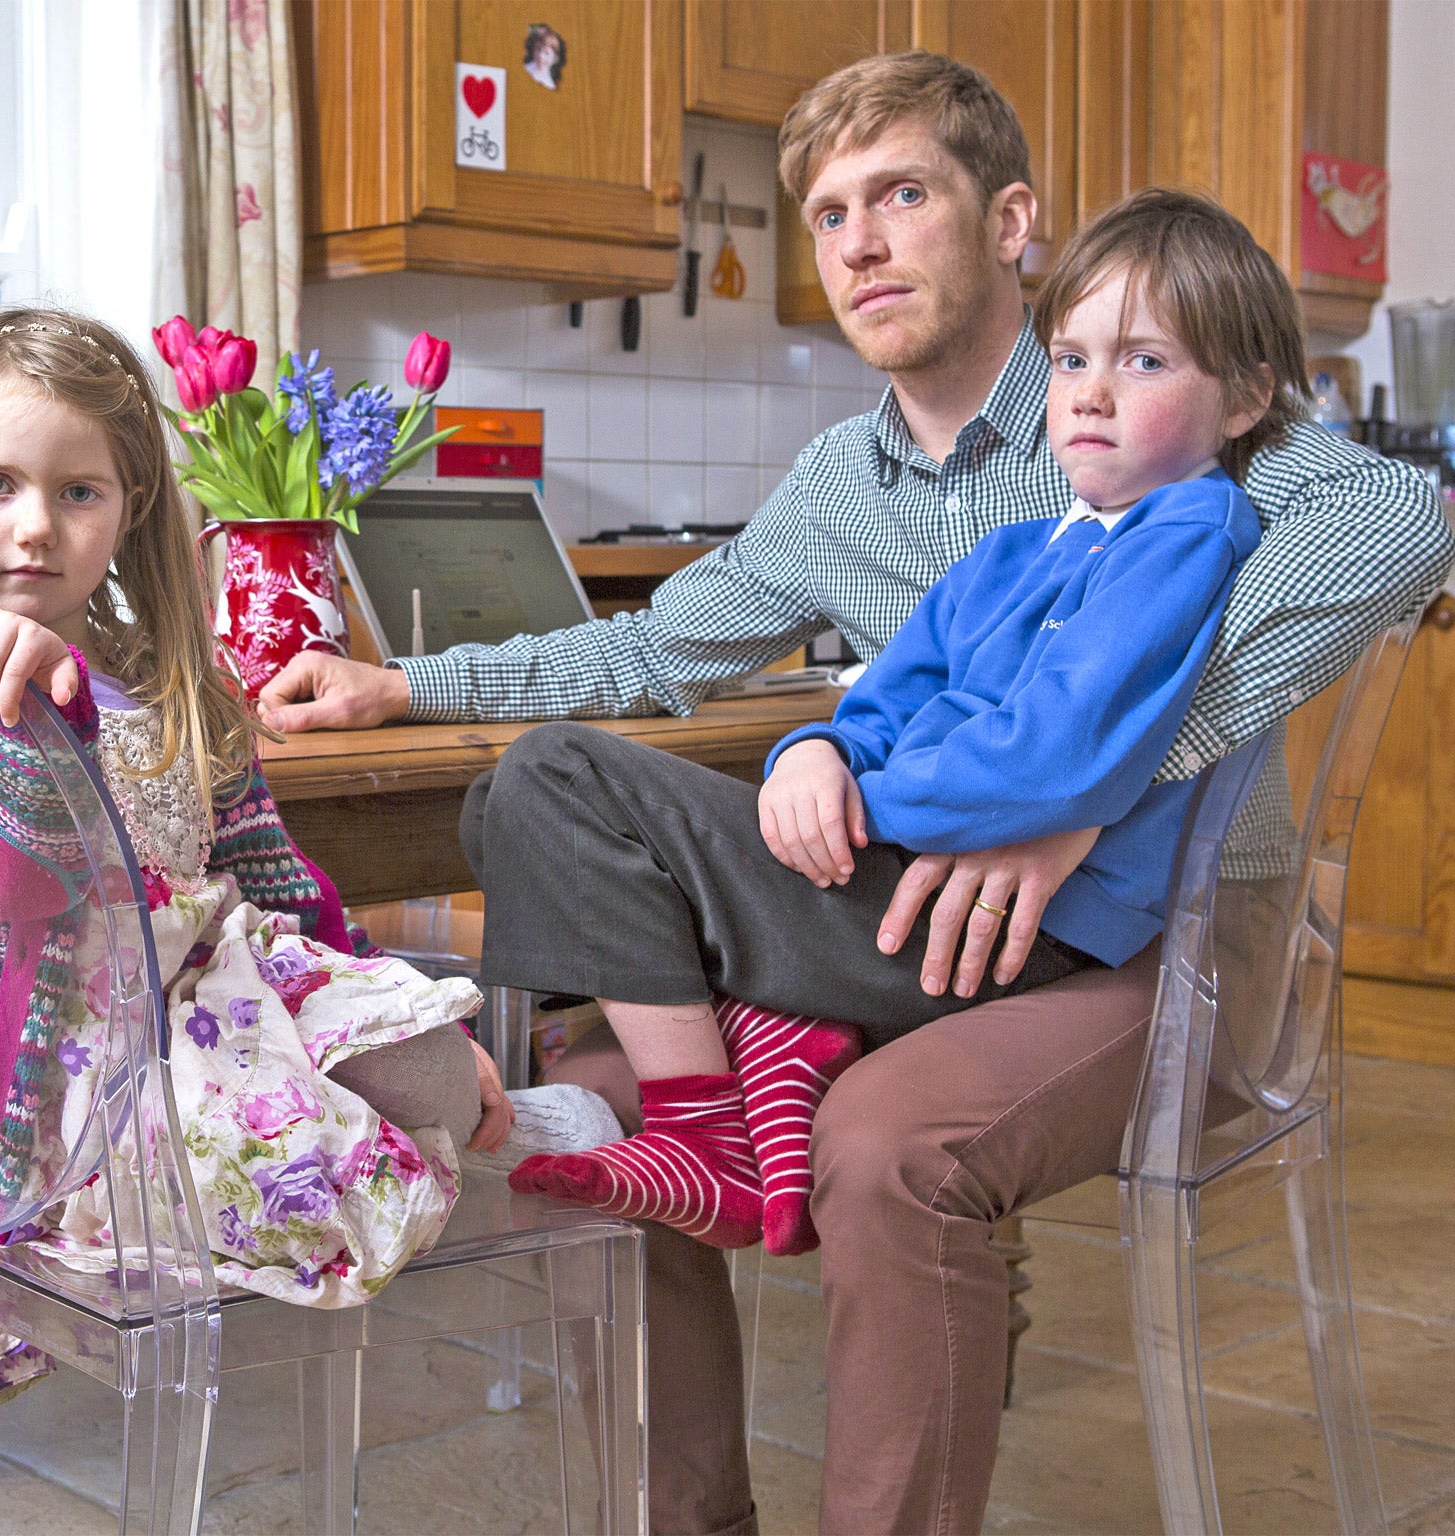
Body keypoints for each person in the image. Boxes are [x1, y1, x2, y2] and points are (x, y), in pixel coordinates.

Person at [255, 52, 1451, 1536]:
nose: (862, 244)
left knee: (886, 1149)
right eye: (828, 215)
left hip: (1168, 943)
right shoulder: (843, 481)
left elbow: (1408, 514)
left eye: (904, 195)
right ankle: (693, 1514)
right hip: (912, 919)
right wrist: (411, 683)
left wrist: (1097, 778)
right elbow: (653, 644)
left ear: (1011, 220)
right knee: (601, 1088)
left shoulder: (1153, 397)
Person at [0, 309, 620, 1407]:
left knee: (423, 1048)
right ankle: (473, 1142)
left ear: (128, 511)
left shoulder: (171, 678)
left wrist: (388, 1008)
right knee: (361, 1123)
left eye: (78, 492)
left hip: (222, 1001)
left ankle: (471, 1114)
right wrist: (32, 703)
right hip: (78, 1081)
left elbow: (274, 882)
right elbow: (15, 884)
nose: (35, 526)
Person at [499, 188, 1287, 1261]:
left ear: (1242, 400)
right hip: (905, 895)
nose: (1092, 394)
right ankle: (773, 1037)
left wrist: (855, 808)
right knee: (506, 815)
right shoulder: (1014, 553)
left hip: (993, 925)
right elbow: (879, 703)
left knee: (554, 780)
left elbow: (1053, 759)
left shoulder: (1184, 535)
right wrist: (813, 754)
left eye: (1144, 363)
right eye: (1069, 361)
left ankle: (704, 1130)